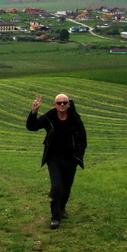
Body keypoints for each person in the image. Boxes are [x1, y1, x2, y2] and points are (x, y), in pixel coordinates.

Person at [26, 93, 87, 229]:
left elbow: (83, 138)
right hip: (54, 157)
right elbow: (32, 126)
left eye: (64, 103)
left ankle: (62, 208)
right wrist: (34, 111)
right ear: (55, 105)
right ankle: (55, 217)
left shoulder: (75, 119)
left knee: (66, 187)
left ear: (68, 104)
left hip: (70, 158)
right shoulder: (49, 117)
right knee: (57, 186)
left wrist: (79, 153)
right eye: (59, 103)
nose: (62, 105)